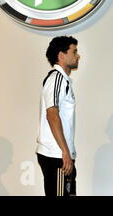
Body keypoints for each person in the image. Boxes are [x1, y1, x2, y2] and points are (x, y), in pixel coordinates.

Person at [36, 36, 80, 196]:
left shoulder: (63, 80)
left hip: (61, 155)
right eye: (74, 51)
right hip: (56, 155)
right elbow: (52, 114)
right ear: (61, 55)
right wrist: (64, 152)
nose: (78, 55)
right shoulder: (56, 79)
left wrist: (68, 152)